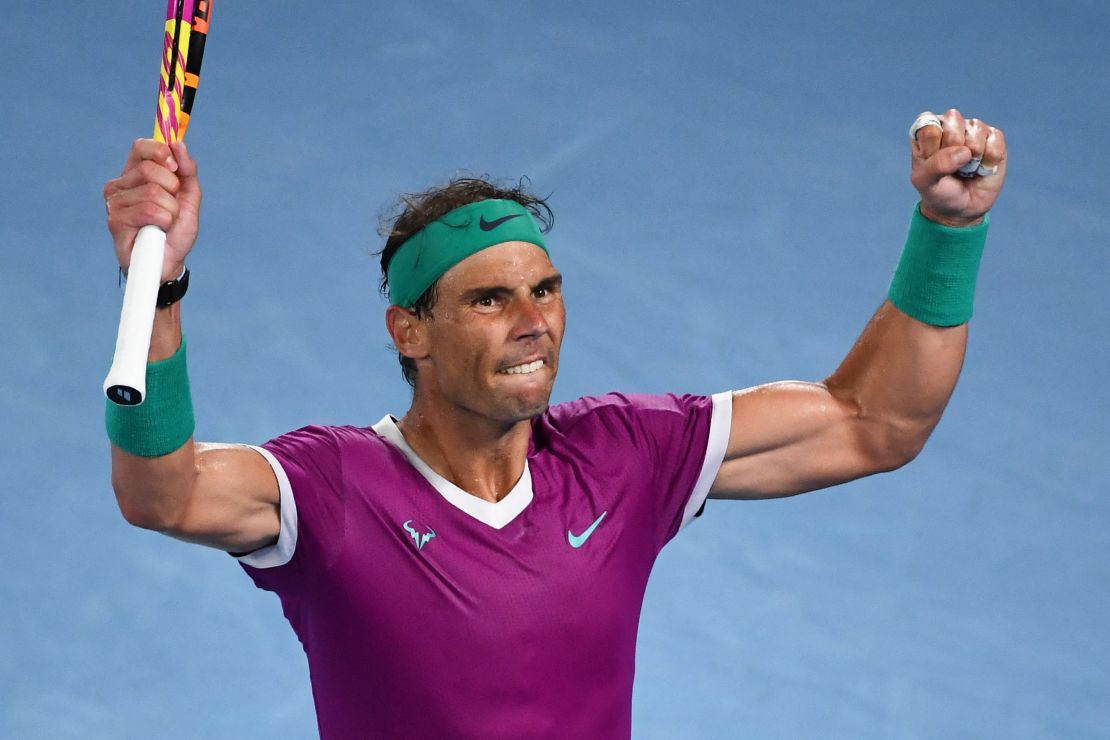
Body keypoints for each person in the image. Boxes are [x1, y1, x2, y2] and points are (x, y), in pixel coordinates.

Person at [103, 108, 1007, 738]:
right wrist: (161, 290)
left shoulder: (625, 456)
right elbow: (165, 494)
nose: (532, 321)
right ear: (409, 331)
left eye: (545, 290)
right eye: (489, 299)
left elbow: (873, 421)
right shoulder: (333, 491)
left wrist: (947, 227)